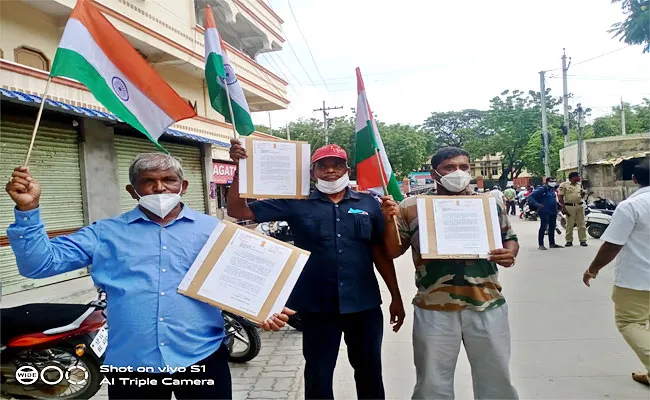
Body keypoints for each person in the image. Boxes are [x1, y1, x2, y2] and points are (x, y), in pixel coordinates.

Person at [5, 154, 293, 400]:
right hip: (133, 363)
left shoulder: (215, 231)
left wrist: (265, 309)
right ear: (133, 190)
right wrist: (28, 211)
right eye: (148, 181)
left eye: (169, 179)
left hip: (201, 357)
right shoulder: (105, 233)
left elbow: (244, 281)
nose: (160, 187)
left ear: (183, 186)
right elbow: (39, 265)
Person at [227, 141, 404, 400]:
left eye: (337, 165)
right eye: (323, 166)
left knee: (369, 372)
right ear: (313, 173)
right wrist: (239, 171)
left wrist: (396, 297)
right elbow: (237, 210)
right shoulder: (295, 203)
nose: (330, 171)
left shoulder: (370, 204)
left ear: (347, 169)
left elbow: (383, 254)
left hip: (363, 305)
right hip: (316, 307)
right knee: (318, 374)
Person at [381, 147, 519, 400]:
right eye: (449, 167)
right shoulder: (411, 207)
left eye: (464, 167)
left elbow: (510, 238)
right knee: (432, 381)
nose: (458, 172)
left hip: (487, 302)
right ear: (434, 172)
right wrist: (389, 219)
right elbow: (393, 251)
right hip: (434, 306)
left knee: (496, 377)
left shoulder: (489, 203)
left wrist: (510, 254)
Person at [582, 161, 650, 387]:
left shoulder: (631, 206)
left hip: (637, 280)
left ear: (634, 180)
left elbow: (612, 244)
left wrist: (593, 269)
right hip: (639, 279)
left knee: (630, 322)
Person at [528, 177, 563, 250]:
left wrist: (558, 205)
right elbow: (530, 197)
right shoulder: (542, 189)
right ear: (547, 182)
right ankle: (541, 244)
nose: (553, 182)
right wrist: (537, 204)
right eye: (551, 181)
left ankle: (552, 243)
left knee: (552, 227)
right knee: (543, 227)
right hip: (544, 210)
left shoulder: (552, 190)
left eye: (554, 181)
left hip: (553, 210)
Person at [558, 172, 588, 247]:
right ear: (572, 177)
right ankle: (569, 241)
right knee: (570, 224)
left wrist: (583, 194)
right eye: (577, 176)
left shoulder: (579, 185)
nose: (579, 178)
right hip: (569, 206)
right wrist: (563, 207)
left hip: (580, 206)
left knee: (581, 224)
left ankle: (583, 240)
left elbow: (581, 196)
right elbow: (560, 197)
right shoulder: (564, 185)